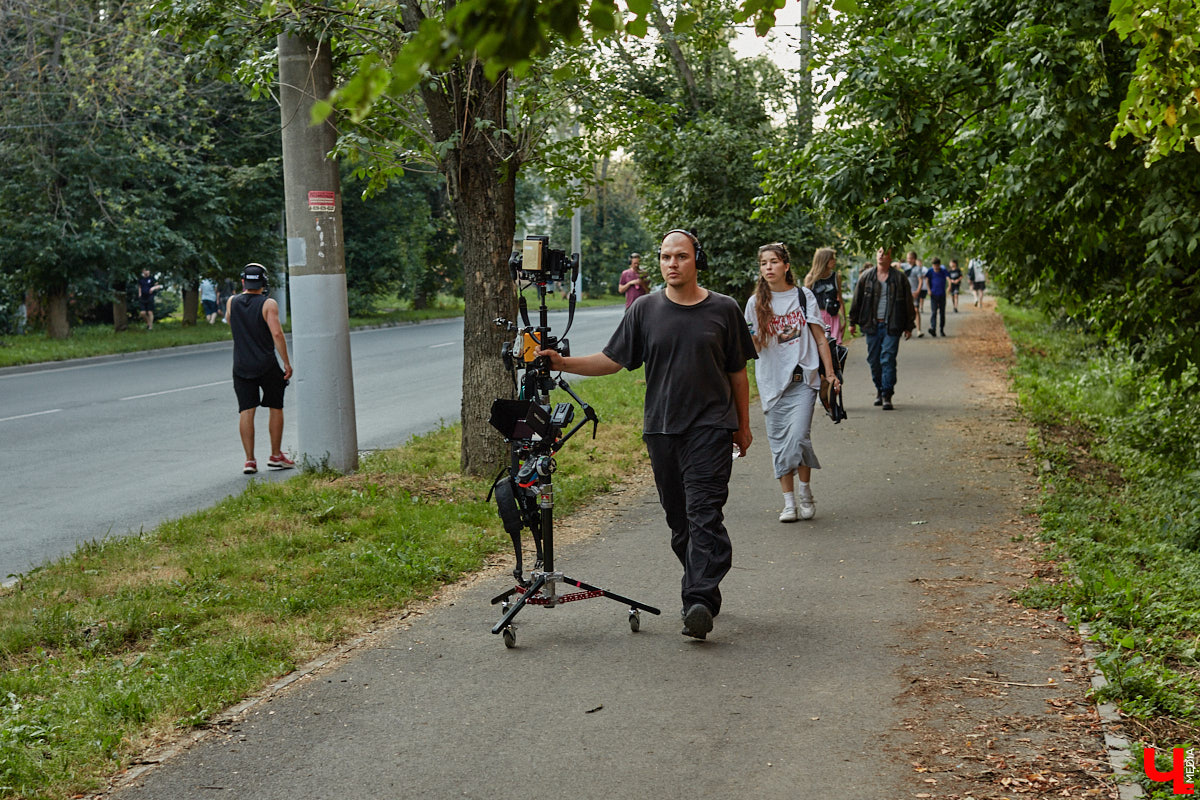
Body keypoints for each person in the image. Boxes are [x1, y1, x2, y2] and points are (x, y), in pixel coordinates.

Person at [537, 230, 756, 641]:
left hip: (710, 428)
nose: (672, 263)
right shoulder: (645, 310)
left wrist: (743, 426)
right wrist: (563, 363)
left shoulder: (723, 309)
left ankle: (697, 601)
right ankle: (703, 588)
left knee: (704, 514)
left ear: (696, 260)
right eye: (666, 256)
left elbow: (738, 373)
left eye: (681, 256)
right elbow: (612, 360)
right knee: (680, 522)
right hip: (661, 430)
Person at [746, 243, 840, 523]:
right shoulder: (754, 303)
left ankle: (805, 491)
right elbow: (752, 346)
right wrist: (750, 338)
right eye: (764, 263)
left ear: (786, 266)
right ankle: (789, 503)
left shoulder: (803, 296)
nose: (768, 267)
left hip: (802, 380)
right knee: (779, 444)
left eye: (774, 262)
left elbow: (820, 337)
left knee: (798, 437)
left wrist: (830, 373)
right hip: (772, 382)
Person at [227, 263, 295, 475]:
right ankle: (275, 456)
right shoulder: (268, 304)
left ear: (243, 281)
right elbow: (277, 334)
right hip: (266, 364)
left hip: (241, 364)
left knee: (246, 410)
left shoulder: (232, 301)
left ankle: (249, 461)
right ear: (264, 283)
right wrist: (286, 362)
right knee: (276, 406)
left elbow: (231, 322)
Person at [848, 248, 916, 410]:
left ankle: (887, 394)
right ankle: (879, 389)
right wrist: (852, 322)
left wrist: (909, 325)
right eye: (879, 252)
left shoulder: (899, 278)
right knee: (874, 361)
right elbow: (857, 300)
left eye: (884, 253)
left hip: (892, 325)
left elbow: (908, 303)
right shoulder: (866, 277)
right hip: (871, 325)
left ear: (890, 257)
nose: (881, 255)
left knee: (887, 359)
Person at [803, 247, 846, 345]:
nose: (835, 261)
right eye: (832, 258)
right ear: (824, 260)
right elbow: (805, 301)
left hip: (833, 316)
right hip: (817, 317)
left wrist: (844, 318)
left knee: (835, 346)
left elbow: (839, 298)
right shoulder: (811, 278)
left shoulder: (836, 277)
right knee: (819, 346)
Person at [924, 258, 948, 337]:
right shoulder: (930, 271)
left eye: (937, 266)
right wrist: (928, 290)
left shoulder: (943, 270)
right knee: (934, 312)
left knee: (942, 313)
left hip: (942, 294)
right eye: (934, 266)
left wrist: (949, 287)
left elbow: (948, 278)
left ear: (939, 265)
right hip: (933, 294)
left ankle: (941, 330)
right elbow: (927, 280)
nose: (935, 267)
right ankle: (933, 329)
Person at [903, 251, 925, 337]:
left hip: (914, 292)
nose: (908, 260)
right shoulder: (905, 266)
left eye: (909, 258)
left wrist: (918, 291)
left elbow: (920, 281)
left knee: (916, 310)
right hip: (905, 292)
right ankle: (906, 329)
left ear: (914, 259)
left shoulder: (917, 269)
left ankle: (919, 330)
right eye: (907, 258)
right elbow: (895, 265)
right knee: (904, 311)